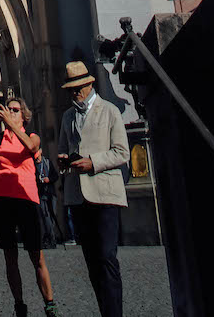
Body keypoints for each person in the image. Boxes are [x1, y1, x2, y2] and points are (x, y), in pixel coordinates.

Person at [58, 60, 129, 317]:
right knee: (92, 263)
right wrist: (64, 160)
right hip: (78, 196)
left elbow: (122, 153)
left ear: (90, 85)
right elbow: (63, 148)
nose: (75, 92)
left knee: (107, 257)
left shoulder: (109, 111)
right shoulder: (68, 116)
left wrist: (93, 162)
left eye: (78, 87)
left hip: (105, 194)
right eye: (71, 89)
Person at [0, 93, 57, 317]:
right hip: (2, 200)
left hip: (26, 199)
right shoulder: (0, 138)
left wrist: (11, 125)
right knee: (10, 257)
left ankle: (49, 304)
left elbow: (31, 146)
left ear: (24, 115)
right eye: (9, 109)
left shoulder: (31, 135)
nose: (10, 112)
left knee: (36, 256)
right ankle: (19, 304)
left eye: (15, 110)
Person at [36, 150, 61, 251]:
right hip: (41, 194)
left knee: (51, 217)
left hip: (50, 193)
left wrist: (49, 179)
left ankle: (49, 237)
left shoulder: (47, 162)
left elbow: (55, 176)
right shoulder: (33, 165)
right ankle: (51, 239)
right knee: (45, 216)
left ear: (40, 151)